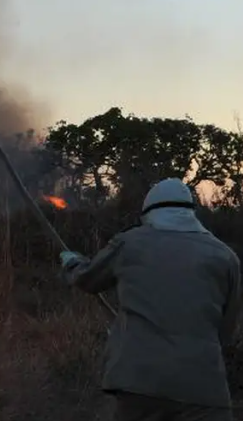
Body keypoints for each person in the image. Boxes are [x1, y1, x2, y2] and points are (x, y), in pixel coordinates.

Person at [60, 178, 241, 421]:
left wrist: (72, 262)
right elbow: (226, 331)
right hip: (203, 388)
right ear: (191, 212)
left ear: (149, 213)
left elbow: (88, 279)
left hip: (139, 383)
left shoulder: (129, 243)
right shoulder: (225, 257)